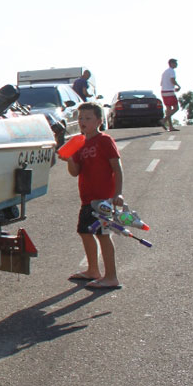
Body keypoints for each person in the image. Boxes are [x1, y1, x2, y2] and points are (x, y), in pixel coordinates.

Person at [64, 102, 124, 290]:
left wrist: (118, 193)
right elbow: (75, 172)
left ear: (98, 121)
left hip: (103, 199)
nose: (83, 121)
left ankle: (111, 277)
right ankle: (93, 270)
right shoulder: (79, 143)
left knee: (103, 235)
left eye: (88, 118)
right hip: (87, 199)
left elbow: (117, 168)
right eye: (80, 118)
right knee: (84, 231)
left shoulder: (104, 140)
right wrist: (70, 158)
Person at [160, 58, 180, 132]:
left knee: (168, 109)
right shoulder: (172, 71)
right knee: (176, 108)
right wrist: (178, 86)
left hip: (163, 91)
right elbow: (172, 80)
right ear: (171, 63)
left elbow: (161, 83)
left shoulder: (165, 72)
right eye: (175, 63)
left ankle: (171, 127)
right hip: (169, 92)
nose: (176, 64)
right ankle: (164, 120)